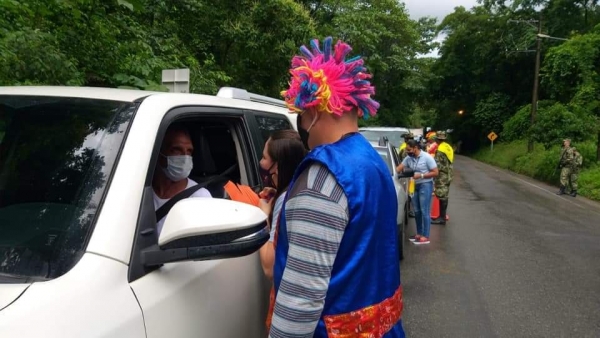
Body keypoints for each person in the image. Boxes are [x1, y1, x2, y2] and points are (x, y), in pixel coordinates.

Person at [268, 37, 405, 337]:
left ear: (315, 108)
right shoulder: (374, 165)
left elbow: (300, 301)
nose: (301, 125)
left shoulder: (323, 176)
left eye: (301, 115)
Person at [257, 130, 307, 280]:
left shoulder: (285, 200)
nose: (261, 162)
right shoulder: (300, 188)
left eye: (265, 157)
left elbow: (269, 267)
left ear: (277, 166)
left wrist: (263, 216)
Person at [152, 124, 212, 234]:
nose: (185, 157)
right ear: (159, 153)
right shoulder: (141, 192)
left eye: (189, 151)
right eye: (176, 150)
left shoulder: (201, 197)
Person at [396, 139, 439, 245]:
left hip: (425, 185)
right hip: (414, 185)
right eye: (406, 150)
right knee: (417, 211)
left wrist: (422, 175)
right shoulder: (408, 158)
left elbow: (435, 172)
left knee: (425, 211)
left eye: (409, 150)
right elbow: (398, 169)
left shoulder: (427, 157)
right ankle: (419, 234)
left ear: (415, 148)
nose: (407, 152)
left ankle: (426, 235)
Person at [432, 131, 454, 225]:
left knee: (442, 196)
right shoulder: (447, 147)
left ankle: (442, 218)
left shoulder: (440, 150)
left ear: (437, 139)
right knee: (444, 195)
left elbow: (437, 165)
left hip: (442, 176)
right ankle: (442, 216)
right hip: (448, 174)